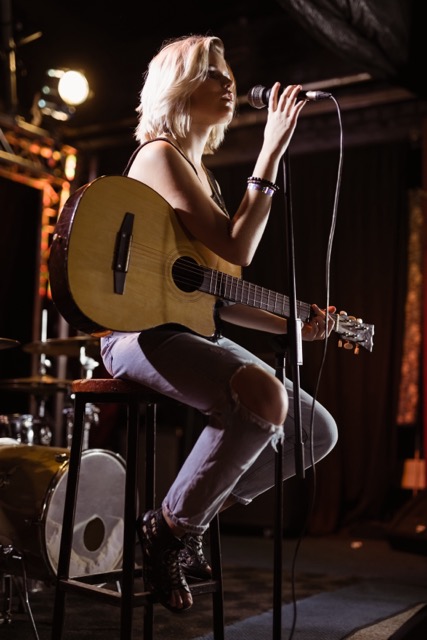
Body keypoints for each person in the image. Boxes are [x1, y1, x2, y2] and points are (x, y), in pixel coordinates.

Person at [100, 34, 338, 614]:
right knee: (263, 396)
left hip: (186, 328)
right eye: (210, 72)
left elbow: (216, 295)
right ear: (175, 89)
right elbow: (240, 245)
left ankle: (185, 519)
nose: (228, 82)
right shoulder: (158, 155)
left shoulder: (204, 179)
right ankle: (169, 532)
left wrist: (292, 324)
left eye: (227, 71)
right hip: (134, 334)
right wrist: (271, 152)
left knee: (315, 430)